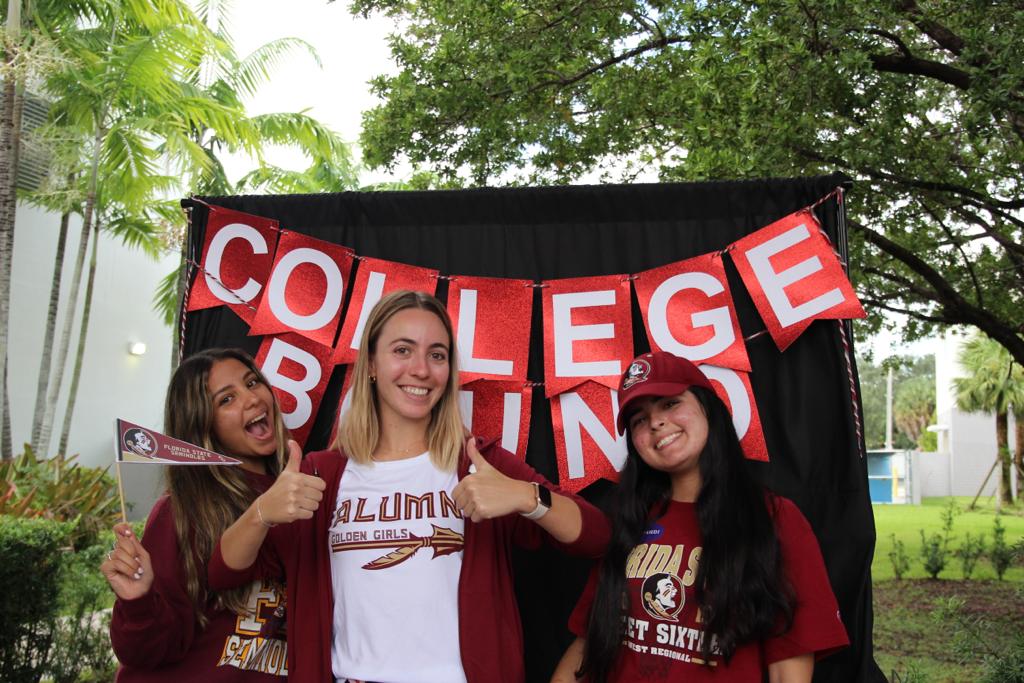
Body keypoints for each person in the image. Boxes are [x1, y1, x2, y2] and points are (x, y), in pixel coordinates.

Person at [209, 290, 611, 683]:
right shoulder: (323, 474)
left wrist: (527, 498)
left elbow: (595, 537)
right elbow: (224, 572)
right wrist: (262, 512)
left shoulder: (475, 462)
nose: (421, 369)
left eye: (437, 355)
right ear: (371, 364)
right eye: (402, 350)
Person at [551, 351, 849, 683]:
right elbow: (590, 646)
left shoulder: (772, 519)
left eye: (669, 403)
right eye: (639, 419)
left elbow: (788, 668)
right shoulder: (630, 524)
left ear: (707, 406)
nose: (655, 422)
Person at [101, 348, 295, 681]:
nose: (252, 399)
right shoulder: (183, 511)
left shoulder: (304, 493)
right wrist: (138, 603)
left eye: (253, 382)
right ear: (202, 424)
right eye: (226, 400)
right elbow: (147, 650)